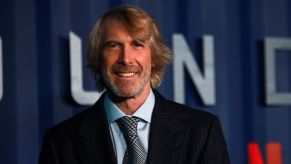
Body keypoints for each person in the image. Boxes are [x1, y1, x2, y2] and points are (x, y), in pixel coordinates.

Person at [39, 5, 230, 164]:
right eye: (113, 45)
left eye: (137, 44)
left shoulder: (202, 132)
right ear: (98, 58)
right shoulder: (60, 142)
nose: (126, 59)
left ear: (154, 56)